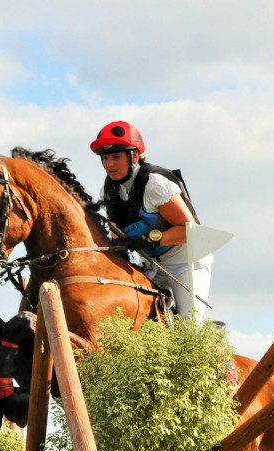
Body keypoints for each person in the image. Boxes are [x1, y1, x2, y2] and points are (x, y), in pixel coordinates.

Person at [90, 120, 212, 320]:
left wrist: (147, 239)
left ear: (135, 156)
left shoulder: (155, 184)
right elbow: (116, 235)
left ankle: (206, 338)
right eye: (104, 158)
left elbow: (189, 230)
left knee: (189, 328)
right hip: (152, 263)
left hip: (186, 261)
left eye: (116, 157)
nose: (109, 164)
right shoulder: (108, 191)